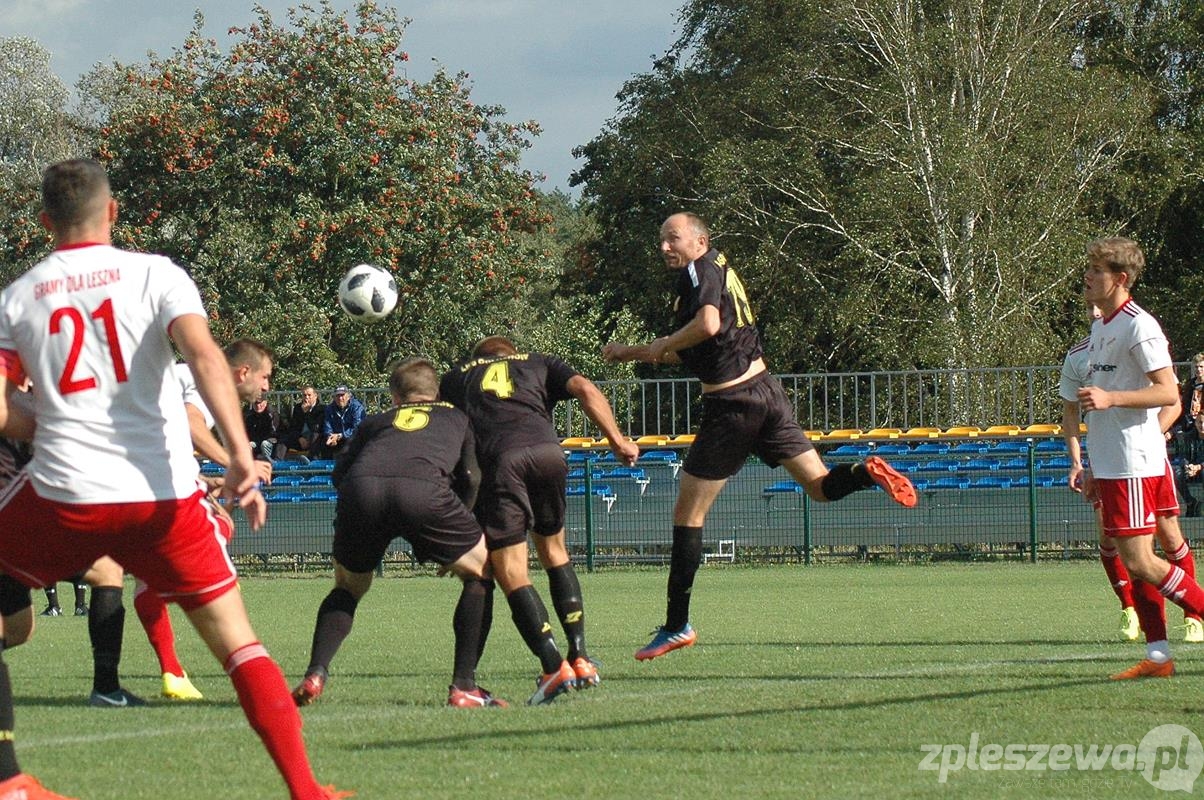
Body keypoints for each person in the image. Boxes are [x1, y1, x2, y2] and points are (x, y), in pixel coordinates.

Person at [0, 159, 350, 799]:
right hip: (162, 498)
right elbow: (205, 356)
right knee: (239, 645)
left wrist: (50, 419)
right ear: (112, 212)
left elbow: (2, 408)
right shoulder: (157, 274)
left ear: (46, 221)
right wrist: (239, 454)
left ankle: (9, 781)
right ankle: (306, 790)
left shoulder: (19, 297)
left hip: (63, 495)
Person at [602, 212, 917, 661]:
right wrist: (634, 352)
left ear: (700, 241)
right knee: (820, 487)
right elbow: (697, 349)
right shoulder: (718, 270)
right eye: (662, 240)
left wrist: (665, 341)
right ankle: (865, 473)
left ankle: (676, 625)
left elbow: (707, 326)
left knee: (687, 515)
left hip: (732, 405)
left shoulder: (700, 270)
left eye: (673, 238)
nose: (665, 247)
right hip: (766, 393)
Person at [292, 357, 503, 708]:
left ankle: (315, 673)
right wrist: (459, 531)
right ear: (436, 393)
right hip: (425, 493)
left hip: (362, 490)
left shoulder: (374, 422)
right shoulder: (456, 417)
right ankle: (464, 686)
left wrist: (356, 509)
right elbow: (471, 477)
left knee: (347, 588)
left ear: (394, 396)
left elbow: (339, 474)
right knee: (481, 573)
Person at [441, 336, 640, 704]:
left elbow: (446, 433)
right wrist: (617, 440)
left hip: (501, 462)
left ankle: (553, 666)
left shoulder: (458, 377)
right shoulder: (539, 361)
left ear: (477, 359)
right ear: (510, 353)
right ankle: (580, 656)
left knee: (511, 570)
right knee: (555, 552)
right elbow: (585, 388)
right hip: (549, 454)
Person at [1076, 236, 1204, 681]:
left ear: (1120, 278)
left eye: (1096, 270)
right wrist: (1093, 465)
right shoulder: (1102, 327)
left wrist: (1111, 398)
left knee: (1141, 562)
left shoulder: (1139, 326)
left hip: (1133, 462)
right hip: (1112, 463)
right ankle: (1158, 658)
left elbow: (1168, 392)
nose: (1087, 276)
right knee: (1139, 562)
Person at [1060, 300, 1200, 644]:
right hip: (1107, 462)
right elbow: (1070, 413)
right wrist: (1079, 462)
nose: (1095, 311)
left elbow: (1171, 399)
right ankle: (1137, 619)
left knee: (1162, 542)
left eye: (1099, 303)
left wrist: (1147, 434)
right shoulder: (1079, 355)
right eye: (1089, 306)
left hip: (1142, 459)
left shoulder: (1137, 331)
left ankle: (1193, 615)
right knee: (1120, 545)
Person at [1172, 354, 1204, 517]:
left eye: (1201, 367)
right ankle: (1191, 502)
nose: (1198, 370)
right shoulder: (1190, 385)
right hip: (1190, 425)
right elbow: (1184, 406)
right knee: (1178, 470)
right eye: (1196, 367)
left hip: (1200, 421)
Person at [279, 385, 326, 460]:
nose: (306, 397)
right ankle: (277, 461)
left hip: (314, 438)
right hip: (301, 439)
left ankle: (312, 460)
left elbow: (316, 428)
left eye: (309, 395)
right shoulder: (298, 408)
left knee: (315, 436)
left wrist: (307, 413)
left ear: (315, 396)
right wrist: (299, 438)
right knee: (284, 438)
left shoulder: (321, 409)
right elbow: (293, 427)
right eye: (304, 395)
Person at [318, 386, 364, 458]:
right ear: (334, 397)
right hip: (335, 438)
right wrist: (330, 436)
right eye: (337, 396)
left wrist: (340, 435)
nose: (340, 398)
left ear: (348, 396)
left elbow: (357, 427)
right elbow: (327, 425)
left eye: (342, 395)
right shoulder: (329, 408)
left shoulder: (357, 407)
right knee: (323, 444)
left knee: (348, 447)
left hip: (351, 437)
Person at [245, 396, 283, 462]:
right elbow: (247, 432)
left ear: (265, 403)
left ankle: (269, 463)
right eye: (255, 404)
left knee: (264, 444)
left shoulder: (272, 414)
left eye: (260, 403)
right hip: (257, 441)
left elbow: (273, 434)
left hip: (272, 442)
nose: (258, 406)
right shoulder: (249, 415)